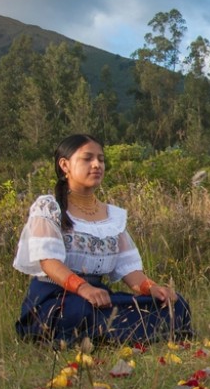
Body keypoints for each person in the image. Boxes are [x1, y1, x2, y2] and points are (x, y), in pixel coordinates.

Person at [13, 134, 193, 346]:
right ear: (64, 165)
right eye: (87, 159)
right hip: (58, 297)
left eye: (101, 159)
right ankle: (110, 334)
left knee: (175, 304)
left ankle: (109, 335)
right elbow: (48, 262)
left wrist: (152, 288)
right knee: (79, 312)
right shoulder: (49, 207)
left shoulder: (113, 217)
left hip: (98, 298)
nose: (97, 164)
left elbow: (128, 269)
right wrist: (84, 289)